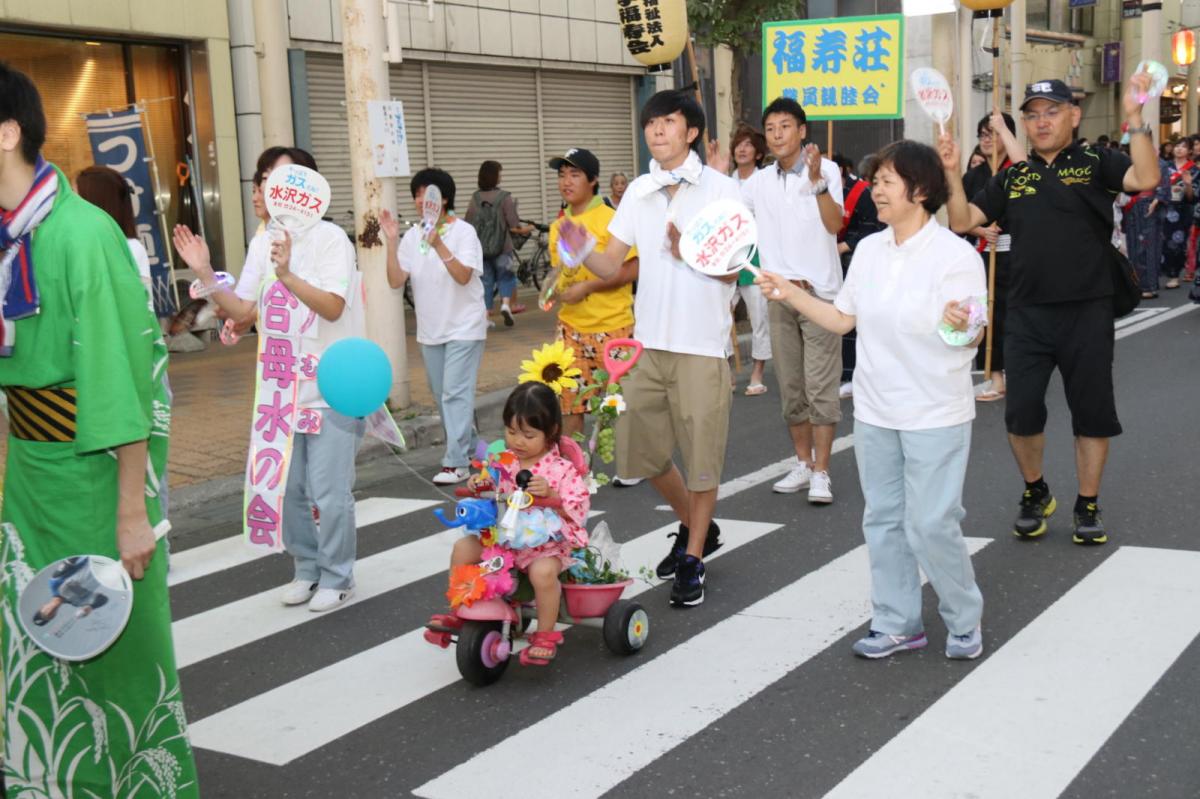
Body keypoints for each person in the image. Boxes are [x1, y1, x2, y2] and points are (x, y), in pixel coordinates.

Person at [0, 61, 198, 795]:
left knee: (115, 642)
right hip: (30, 477)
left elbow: (120, 381)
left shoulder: (84, 236)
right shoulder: (6, 237)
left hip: (93, 474)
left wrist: (130, 511)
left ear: (8, 131)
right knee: (33, 638)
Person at [757, 140, 988, 660]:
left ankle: (963, 616)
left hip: (934, 411)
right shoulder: (869, 250)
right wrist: (789, 293)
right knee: (882, 520)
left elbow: (971, 335)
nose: (875, 190)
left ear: (921, 190)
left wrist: (963, 326)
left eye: (886, 180)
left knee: (931, 523)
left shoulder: (954, 255)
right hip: (878, 410)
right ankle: (898, 621)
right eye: (876, 179)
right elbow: (843, 320)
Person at [940, 75, 1161, 546]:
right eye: (1033, 114)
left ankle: (1088, 503)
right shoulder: (1013, 176)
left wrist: (1136, 117)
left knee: (1092, 412)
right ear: (1023, 123)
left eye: (1052, 111)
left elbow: (1146, 178)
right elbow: (962, 221)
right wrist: (951, 171)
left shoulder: (1096, 161)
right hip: (1025, 312)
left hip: (1088, 309)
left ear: (1073, 116)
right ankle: (1035, 491)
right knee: (1020, 413)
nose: (1042, 122)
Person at [558, 89, 740, 607]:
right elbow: (611, 266)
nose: (657, 130)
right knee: (641, 455)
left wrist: (690, 251)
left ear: (692, 131)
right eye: (651, 123)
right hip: (647, 344)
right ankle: (695, 526)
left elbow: (738, 269)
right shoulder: (638, 190)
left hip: (702, 347)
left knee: (703, 459)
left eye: (668, 122)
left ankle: (693, 557)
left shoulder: (724, 190)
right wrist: (579, 246)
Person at [174, 146, 366, 612]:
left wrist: (287, 274)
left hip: (333, 386)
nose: (272, 188)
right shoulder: (263, 241)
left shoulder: (330, 239)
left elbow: (334, 306)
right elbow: (243, 311)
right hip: (282, 390)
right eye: (265, 178)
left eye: (284, 178)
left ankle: (338, 576)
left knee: (327, 490)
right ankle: (306, 569)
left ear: (312, 188)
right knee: (288, 489)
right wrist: (203, 271)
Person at [730, 96, 846, 505]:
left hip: (819, 295)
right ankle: (802, 462)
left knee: (820, 387)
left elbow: (834, 225)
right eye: (772, 128)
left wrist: (816, 184)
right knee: (792, 388)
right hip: (777, 295)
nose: (778, 134)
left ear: (802, 131)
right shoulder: (757, 182)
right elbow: (734, 222)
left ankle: (822, 471)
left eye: (785, 126)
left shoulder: (826, 170)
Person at [445, 382, 590, 665]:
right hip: (501, 538)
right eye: (511, 432)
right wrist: (481, 482)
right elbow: (490, 486)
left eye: (528, 435)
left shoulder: (560, 469)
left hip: (544, 545)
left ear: (551, 433)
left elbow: (579, 505)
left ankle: (545, 633)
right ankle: (461, 603)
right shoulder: (504, 462)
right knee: (463, 548)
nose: (518, 441)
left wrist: (551, 495)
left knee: (543, 573)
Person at [382, 168, 488, 485]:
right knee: (443, 394)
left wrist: (440, 244)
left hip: (465, 327)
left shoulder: (464, 231)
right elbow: (395, 280)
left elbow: (464, 276)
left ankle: (456, 462)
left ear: (443, 199)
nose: (419, 200)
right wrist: (391, 242)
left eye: (427, 194)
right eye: (416, 194)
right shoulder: (412, 236)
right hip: (431, 331)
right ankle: (471, 448)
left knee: (455, 394)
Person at [545, 148, 638, 438]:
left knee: (618, 405)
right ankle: (577, 472)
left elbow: (633, 270)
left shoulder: (613, 218)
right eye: (562, 175)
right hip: (570, 329)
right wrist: (559, 288)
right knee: (570, 406)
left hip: (612, 327)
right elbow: (560, 274)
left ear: (593, 180)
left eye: (575, 174)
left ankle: (630, 463)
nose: (566, 182)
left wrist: (588, 287)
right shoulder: (558, 226)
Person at [962, 111, 1019, 401]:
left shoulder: (1019, 170)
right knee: (988, 316)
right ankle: (995, 376)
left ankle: (1020, 372)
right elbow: (957, 221)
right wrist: (981, 230)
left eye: (991, 133)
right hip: (984, 256)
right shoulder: (973, 177)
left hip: (1019, 256)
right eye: (982, 135)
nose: (985, 140)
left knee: (1017, 316)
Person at [833, 152, 885, 398]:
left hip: (853, 258)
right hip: (834, 264)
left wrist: (847, 245)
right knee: (844, 318)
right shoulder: (822, 190)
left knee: (858, 320)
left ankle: (856, 373)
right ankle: (846, 373)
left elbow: (874, 226)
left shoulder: (862, 193)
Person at [728, 124, 772, 396]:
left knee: (759, 316)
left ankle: (757, 372)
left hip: (756, 256)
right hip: (727, 256)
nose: (741, 149)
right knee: (720, 314)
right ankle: (727, 370)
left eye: (747, 145)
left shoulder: (765, 180)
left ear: (757, 153)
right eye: (738, 144)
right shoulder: (724, 181)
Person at [75, 165, 154, 313]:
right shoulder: (76, 244)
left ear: (95, 203)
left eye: (76, 198)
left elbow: (145, 307)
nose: (70, 206)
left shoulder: (130, 248)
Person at [465, 160, 532, 326]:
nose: (501, 176)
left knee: (486, 281)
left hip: (482, 249)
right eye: (499, 173)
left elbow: (468, 222)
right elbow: (514, 224)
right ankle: (505, 305)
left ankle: (486, 316)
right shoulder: (504, 197)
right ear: (495, 176)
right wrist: (527, 228)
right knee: (506, 277)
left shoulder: (475, 198)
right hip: (503, 247)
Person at [1121, 148, 1170, 299]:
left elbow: (1164, 187)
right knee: (1133, 246)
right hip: (1132, 206)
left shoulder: (1160, 164)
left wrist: (1155, 202)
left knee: (1148, 246)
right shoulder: (1130, 163)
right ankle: (1136, 284)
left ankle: (1149, 285)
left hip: (1148, 205)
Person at [1161, 138, 1197, 290]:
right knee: (1161, 242)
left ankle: (1174, 275)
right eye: (1177, 146)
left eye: (1183, 147)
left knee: (1177, 243)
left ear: (1189, 151)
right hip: (1163, 209)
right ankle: (1157, 274)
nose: (1179, 149)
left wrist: (1188, 184)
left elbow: (1192, 198)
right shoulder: (1164, 166)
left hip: (1182, 211)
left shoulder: (1194, 170)